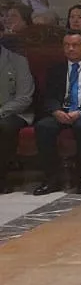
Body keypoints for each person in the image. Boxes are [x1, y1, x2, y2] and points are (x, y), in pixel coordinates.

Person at [31, 30, 81, 195]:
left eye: (75, 45)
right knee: (43, 127)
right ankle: (51, 179)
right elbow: (48, 96)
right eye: (67, 45)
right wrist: (56, 110)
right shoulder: (56, 70)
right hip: (61, 112)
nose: (70, 49)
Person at [0, 34, 34, 193]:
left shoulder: (18, 61)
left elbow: (24, 98)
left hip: (14, 112)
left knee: (4, 126)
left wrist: (1, 111)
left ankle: (2, 178)